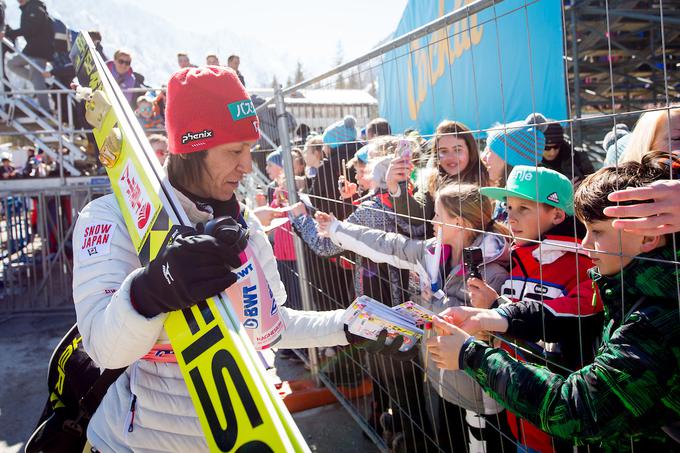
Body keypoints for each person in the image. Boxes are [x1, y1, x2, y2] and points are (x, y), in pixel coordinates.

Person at [73, 66, 413, 452]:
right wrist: (150, 291)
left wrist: (348, 325)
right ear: (191, 146)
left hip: (237, 436)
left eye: (250, 149)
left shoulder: (243, 223)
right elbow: (104, 350)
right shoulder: (111, 218)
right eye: (235, 150)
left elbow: (272, 325)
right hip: (133, 443)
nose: (248, 165)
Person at [428, 155, 680, 451]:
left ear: (648, 238)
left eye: (597, 232)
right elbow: (567, 316)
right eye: (508, 208)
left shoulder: (655, 318)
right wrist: (495, 314)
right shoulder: (627, 286)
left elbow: (578, 409)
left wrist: (470, 354)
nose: (585, 244)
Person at [317, 183, 514, 452]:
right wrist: (337, 229)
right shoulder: (431, 252)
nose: (431, 221)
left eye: (437, 216)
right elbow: (389, 245)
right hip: (440, 382)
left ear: (458, 222)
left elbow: (491, 331)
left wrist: (440, 305)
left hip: (476, 395)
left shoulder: (492, 273)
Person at [467, 165, 600, 452]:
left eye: (523, 208)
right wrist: (491, 312)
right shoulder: (518, 257)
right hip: (518, 409)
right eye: (508, 206)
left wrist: (496, 309)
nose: (510, 217)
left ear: (556, 214)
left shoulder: (583, 262)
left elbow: (574, 313)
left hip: (559, 421)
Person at [386, 120, 489, 238]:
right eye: (443, 151)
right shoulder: (432, 180)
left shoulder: (487, 179)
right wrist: (394, 184)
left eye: (457, 149)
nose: (451, 157)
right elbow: (418, 215)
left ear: (470, 152)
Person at [6, 0, 54, 112]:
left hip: (39, 50)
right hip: (31, 49)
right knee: (12, 63)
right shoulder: (29, 8)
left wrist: (9, 34)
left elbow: (30, 29)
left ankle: (46, 110)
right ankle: (38, 82)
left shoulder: (34, 7)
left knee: (37, 78)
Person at [540, 117, 594, 182]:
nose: (552, 152)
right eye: (547, 148)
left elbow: (594, 183)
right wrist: (566, 189)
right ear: (538, 145)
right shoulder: (530, 164)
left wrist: (581, 188)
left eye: (557, 146)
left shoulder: (577, 156)